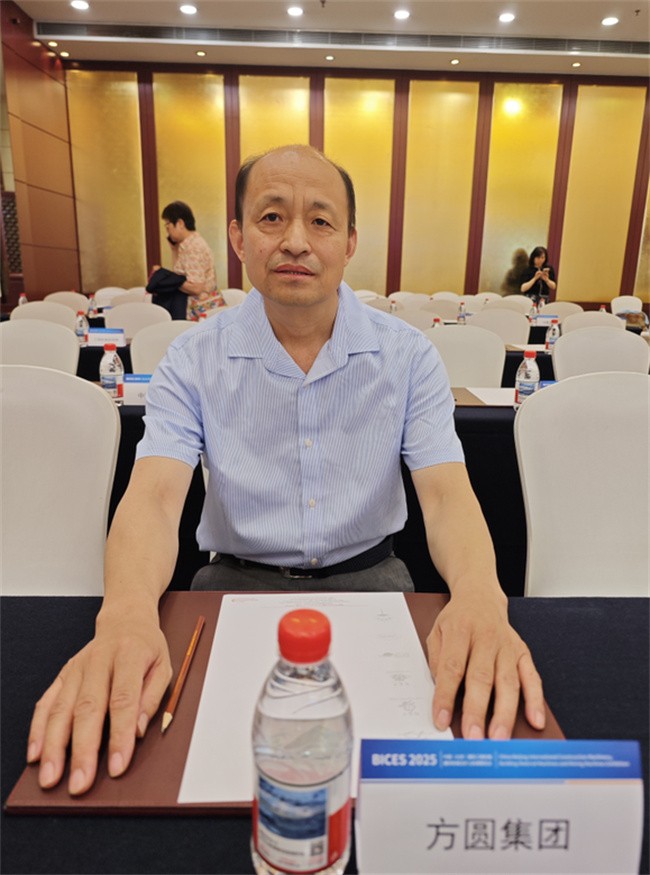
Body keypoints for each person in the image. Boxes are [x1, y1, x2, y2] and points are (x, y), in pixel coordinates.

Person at [27, 145, 545, 796]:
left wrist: (480, 596)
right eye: (272, 217)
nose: (296, 240)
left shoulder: (408, 356)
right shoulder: (193, 359)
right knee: (184, 763)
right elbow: (154, 498)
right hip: (229, 582)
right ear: (238, 237)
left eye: (320, 221)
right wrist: (125, 615)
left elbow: (446, 497)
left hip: (373, 579)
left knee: (419, 768)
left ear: (349, 242)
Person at [160, 200, 222, 319]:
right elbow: (179, 274)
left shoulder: (193, 247)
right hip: (194, 310)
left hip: (199, 313)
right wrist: (174, 250)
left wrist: (168, 280)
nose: (167, 232)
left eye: (168, 226)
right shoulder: (185, 245)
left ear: (180, 223)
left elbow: (196, 288)